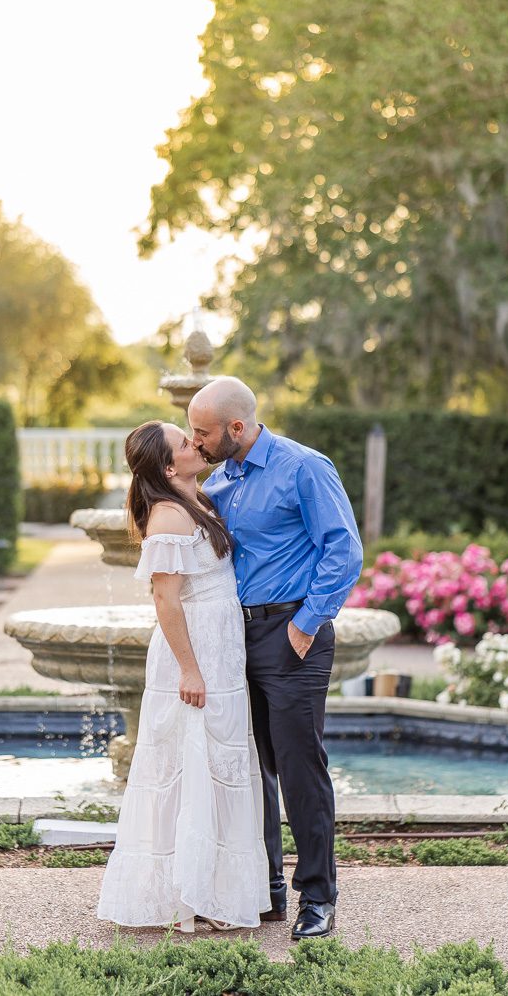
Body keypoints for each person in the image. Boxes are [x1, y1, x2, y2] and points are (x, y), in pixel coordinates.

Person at [188, 378, 362, 940]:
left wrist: (306, 625)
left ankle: (319, 899)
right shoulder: (221, 480)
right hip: (235, 640)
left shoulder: (304, 467)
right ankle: (266, 891)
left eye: (203, 432)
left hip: (292, 637)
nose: (198, 442)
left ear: (237, 428)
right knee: (250, 769)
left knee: (299, 770)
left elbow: (344, 548)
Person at [97, 420, 270, 932]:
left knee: (218, 761)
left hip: (220, 648)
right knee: (190, 765)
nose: (196, 443)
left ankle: (213, 891)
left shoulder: (200, 501)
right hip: (192, 653)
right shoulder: (169, 518)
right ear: (169, 467)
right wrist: (190, 669)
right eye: (183, 441)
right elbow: (165, 599)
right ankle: (187, 896)